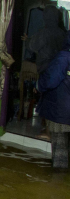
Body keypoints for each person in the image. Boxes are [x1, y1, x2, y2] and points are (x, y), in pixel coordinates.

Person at [36, 31, 70, 168]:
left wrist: (38, 85)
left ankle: (56, 183)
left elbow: (50, 80)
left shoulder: (64, 57)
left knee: (59, 157)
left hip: (61, 112)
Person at [28, 5, 66, 73]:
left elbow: (33, 46)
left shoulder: (43, 32)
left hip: (44, 68)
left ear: (45, 16)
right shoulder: (62, 33)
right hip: (58, 68)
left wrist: (27, 40)